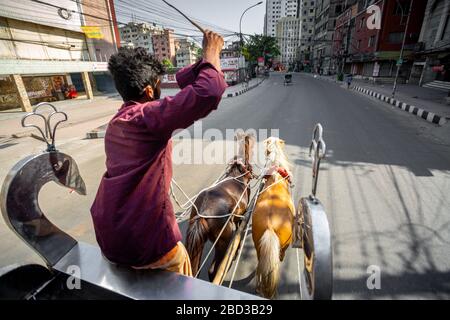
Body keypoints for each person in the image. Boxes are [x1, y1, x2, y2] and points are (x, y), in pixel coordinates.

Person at [90, 30, 226, 276]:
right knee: (183, 266)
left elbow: (187, 84)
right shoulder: (147, 117)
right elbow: (209, 92)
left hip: (109, 236)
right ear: (150, 93)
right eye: (159, 85)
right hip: (148, 243)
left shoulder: (117, 122)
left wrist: (202, 63)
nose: (163, 91)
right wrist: (212, 51)